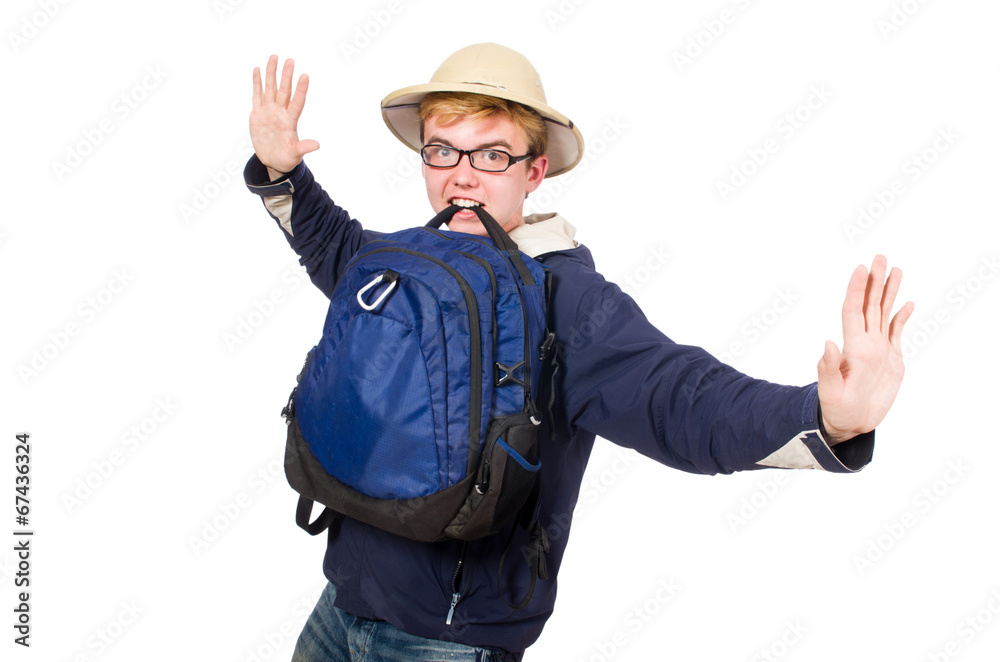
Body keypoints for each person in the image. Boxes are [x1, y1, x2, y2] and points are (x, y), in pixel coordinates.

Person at [244, 43, 913, 661]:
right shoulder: (417, 255)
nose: (462, 178)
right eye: (442, 151)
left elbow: (677, 397)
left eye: (492, 155)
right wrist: (283, 172)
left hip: (443, 638)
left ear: (535, 170)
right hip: (343, 598)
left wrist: (826, 417)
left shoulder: (567, 298)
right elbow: (342, 258)